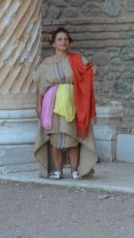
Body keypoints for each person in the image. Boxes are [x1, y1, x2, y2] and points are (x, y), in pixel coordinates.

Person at [34, 27, 99, 180]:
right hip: (52, 105)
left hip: (73, 103)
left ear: (69, 42)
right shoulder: (45, 64)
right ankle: (58, 171)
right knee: (55, 138)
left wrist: (93, 70)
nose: (63, 41)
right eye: (59, 39)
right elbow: (40, 87)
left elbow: (87, 72)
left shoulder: (77, 59)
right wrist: (38, 105)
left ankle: (75, 170)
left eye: (66, 39)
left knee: (73, 138)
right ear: (53, 44)